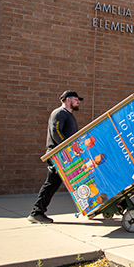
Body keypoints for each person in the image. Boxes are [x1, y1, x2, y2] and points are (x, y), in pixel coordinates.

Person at [28, 90, 83, 224]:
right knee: (51, 183)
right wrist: (67, 149)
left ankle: (37, 212)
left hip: (64, 155)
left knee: (54, 183)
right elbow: (55, 132)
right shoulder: (59, 113)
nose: (78, 102)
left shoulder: (69, 115)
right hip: (57, 154)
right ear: (68, 99)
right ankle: (36, 212)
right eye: (76, 99)